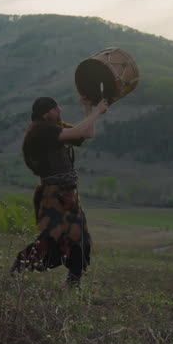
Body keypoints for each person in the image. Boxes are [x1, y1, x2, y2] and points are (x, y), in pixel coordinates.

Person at [10, 95, 109, 287]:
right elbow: (81, 130)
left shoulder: (52, 128)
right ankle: (19, 267)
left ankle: (73, 283)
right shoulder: (40, 131)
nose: (60, 111)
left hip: (68, 194)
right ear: (47, 114)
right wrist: (96, 112)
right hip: (53, 196)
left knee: (81, 239)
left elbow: (86, 134)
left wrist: (88, 107)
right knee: (51, 240)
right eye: (56, 109)